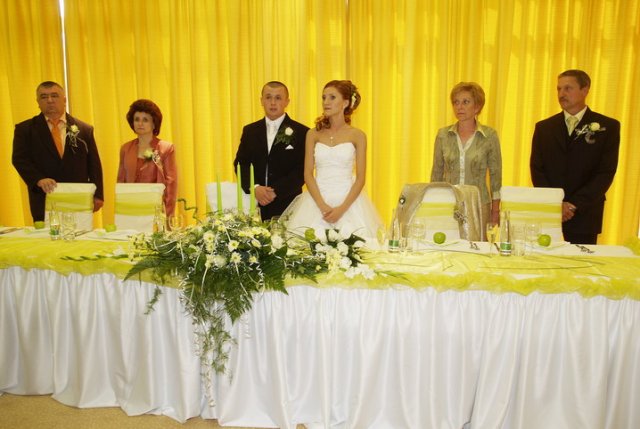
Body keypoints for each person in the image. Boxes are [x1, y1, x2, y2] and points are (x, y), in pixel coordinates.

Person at [283, 80, 382, 240]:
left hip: (348, 201)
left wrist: (342, 209)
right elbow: (308, 173)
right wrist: (322, 206)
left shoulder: (357, 135)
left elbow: (361, 178)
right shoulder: (313, 134)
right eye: (324, 97)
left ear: (345, 103)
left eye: (332, 97)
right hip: (317, 199)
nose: (326, 102)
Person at [530, 69, 620, 244]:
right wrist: (555, 203)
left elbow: (605, 172)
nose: (561, 94)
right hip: (550, 213)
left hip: (585, 213)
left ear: (585, 90)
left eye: (568, 88)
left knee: (582, 260)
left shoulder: (608, 127)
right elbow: (537, 169)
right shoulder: (544, 127)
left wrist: (572, 205)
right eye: (559, 89)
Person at [12, 81, 104, 222]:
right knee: (47, 236)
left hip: (77, 198)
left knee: (80, 235)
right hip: (44, 198)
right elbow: (19, 159)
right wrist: (38, 179)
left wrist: (98, 195)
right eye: (44, 97)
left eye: (54, 96)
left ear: (64, 100)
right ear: (38, 102)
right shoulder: (25, 129)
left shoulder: (84, 129)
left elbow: (94, 164)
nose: (50, 100)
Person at [430, 82, 502, 227]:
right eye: (456, 102)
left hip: (479, 206)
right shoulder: (443, 135)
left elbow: (496, 178)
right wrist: (433, 204)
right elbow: (436, 174)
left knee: (477, 242)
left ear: (477, 106)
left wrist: (495, 211)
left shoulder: (490, 136)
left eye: (465, 102)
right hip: (448, 204)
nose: (459, 107)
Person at [234, 81, 309, 220]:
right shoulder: (250, 131)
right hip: (254, 203)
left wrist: (275, 191)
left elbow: (302, 169)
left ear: (287, 102)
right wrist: (255, 187)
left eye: (278, 98)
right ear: (261, 100)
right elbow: (241, 163)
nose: (273, 103)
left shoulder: (302, 132)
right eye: (268, 97)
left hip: (288, 203)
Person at [117, 99, 178, 217]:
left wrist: (168, 217)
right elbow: (121, 183)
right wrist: (122, 213)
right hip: (131, 210)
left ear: (154, 123)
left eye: (145, 120)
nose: (140, 123)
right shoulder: (126, 148)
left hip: (156, 211)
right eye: (137, 119)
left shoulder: (166, 148)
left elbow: (171, 185)